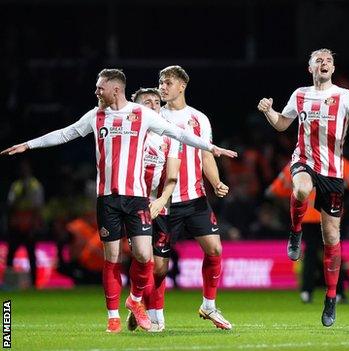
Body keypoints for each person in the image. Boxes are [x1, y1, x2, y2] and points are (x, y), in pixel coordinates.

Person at [1, 69, 237, 333]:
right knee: (114, 258)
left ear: (115, 89)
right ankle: (114, 316)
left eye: (99, 88)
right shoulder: (96, 115)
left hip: (139, 199)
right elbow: (65, 133)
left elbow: (179, 135)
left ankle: (136, 300)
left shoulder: (144, 117)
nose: (96, 92)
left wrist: (211, 148)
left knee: (145, 257)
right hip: (108, 199)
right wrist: (29, 145)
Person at [257, 48, 349, 327]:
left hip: (333, 173)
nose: (323, 64)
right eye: (318, 61)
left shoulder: (345, 96)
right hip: (304, 161)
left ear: (333, 68)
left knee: (331, 238)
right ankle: (295, 232)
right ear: (310, 68)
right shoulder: (299, 94)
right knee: (299, 190)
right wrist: (268, 111)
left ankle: (331, 297)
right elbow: (281, 124)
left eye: (328, 61)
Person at [158, 65, 233, 330]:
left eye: (168, 82)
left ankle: (209, 306)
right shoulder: (154, 115)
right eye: (161, 83)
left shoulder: (199, 119)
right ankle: (153, 314)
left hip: (195, 197)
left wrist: (216, 182)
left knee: (214, 249)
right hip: (165, 202)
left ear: (182, 85)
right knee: (158, 266)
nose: (162, 87)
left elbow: (206, 154)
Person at [266, 158, 349, 304]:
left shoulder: (297, 163)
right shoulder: (335, 158)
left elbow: (272, 190)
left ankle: (306, 292)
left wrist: (288, 204)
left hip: (307, 216)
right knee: (333, 252)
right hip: (329, 214)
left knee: (310, 254)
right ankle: (338, 293)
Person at [126, 87, 181, 332]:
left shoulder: (169, 137)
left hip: (160, 206)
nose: (154, 106)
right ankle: (152, 314)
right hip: (134, 205)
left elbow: (172, 177)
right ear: (135, 106)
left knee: (160, 267)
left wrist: (161, 201)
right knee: (143, 258)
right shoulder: (128, 133)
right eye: (147, 102)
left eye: (157, 102)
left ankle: (137, 303)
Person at [6, 160, 44, 288]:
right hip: (17, 225)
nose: (23, 171)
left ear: (29, 170)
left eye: (25, 168)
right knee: (10, 254)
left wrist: (34, 226)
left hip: (30, 225)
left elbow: (38, 207)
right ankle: (9, 283)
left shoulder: (35, 185)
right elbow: (10, 205)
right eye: (21, 168)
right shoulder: (16, 186)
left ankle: (34, 284)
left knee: (31, 255)